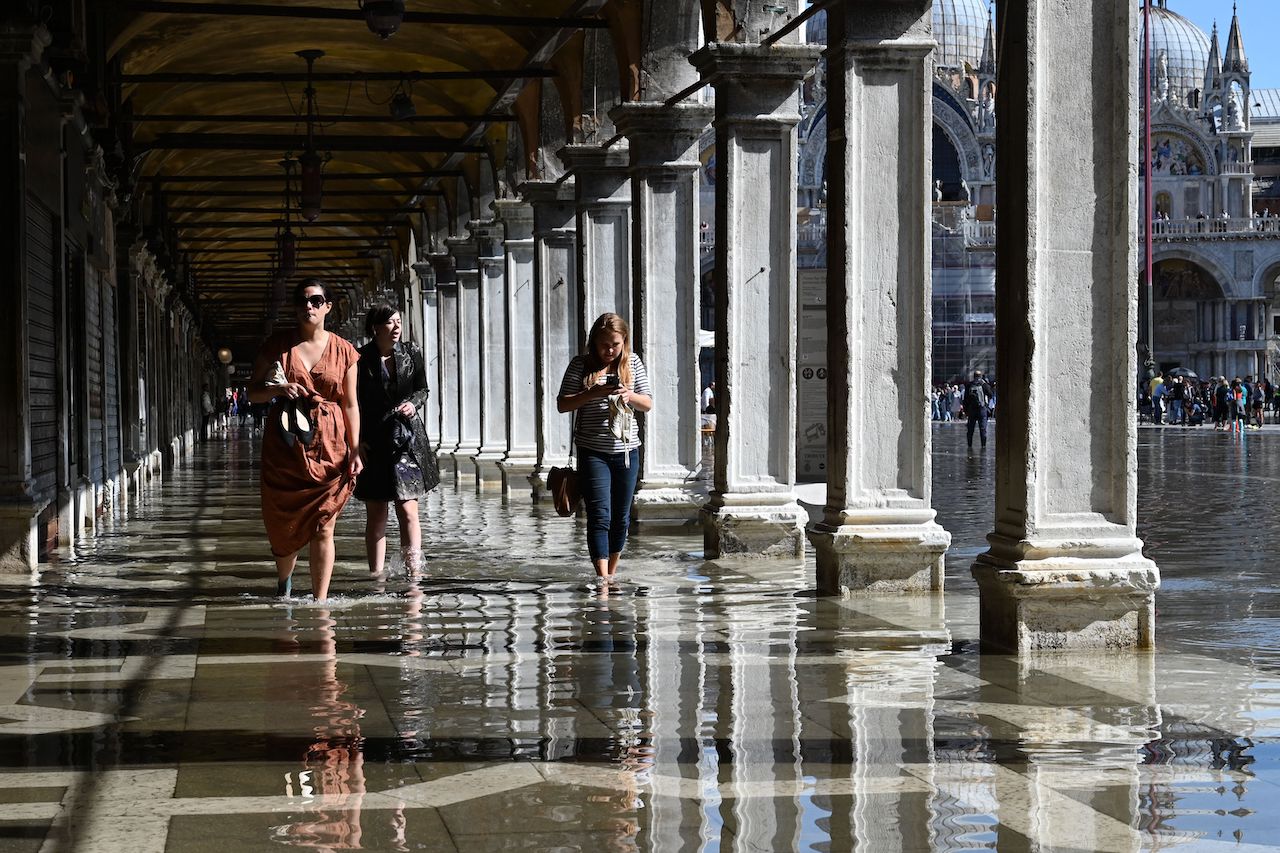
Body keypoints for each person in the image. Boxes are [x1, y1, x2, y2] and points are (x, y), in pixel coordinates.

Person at [247, 279, 362, 599]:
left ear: (328, 307)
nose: (308, 306)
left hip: (330, 444)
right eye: (302, 301)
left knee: (325, 523)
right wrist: (277, 389)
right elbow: (253, 392)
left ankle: (319, 602)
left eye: (316, 301)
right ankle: (284, 583)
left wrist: (355, 449)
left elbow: (350, 404)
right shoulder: (278, 346)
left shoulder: (345, 351)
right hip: (286, 444)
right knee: (284, 521)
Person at [557, 313, 653, 582]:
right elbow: (562, 404)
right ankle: (602, 580)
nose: (609, 351)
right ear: (593, 343)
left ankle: (611, 573)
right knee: (600, 515)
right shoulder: (580, 365)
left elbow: (647, 403)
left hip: (627, 452)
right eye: (604, 345)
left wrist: (629, 395)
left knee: (621, 517)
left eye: (615, 345)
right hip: (592, 452)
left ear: (624, 342)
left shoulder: (633, 362)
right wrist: (592, 393)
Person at [354, 302, 435, 578]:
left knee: (408, 509)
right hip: (373, 440)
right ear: (375, 327)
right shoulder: (359, 358)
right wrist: (356, 441)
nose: (397, 327)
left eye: (399, 321)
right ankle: (376, 576)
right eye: (390, 322)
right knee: (377, 512)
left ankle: (414, 574)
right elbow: (351, 402)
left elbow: (423, 389)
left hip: (406, 440)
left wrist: (414, 403)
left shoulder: (411, 353)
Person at [963, 370, 991, 450]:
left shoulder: (969, 385)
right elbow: (990, 394)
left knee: (970, 430)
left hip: (972, 410)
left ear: (974, 376)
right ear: (981, 376)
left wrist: (966, 411)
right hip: (982, 409)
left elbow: (965, 399)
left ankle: (969, 446)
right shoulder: (983, 384)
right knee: (983, 429)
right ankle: (983, 446)